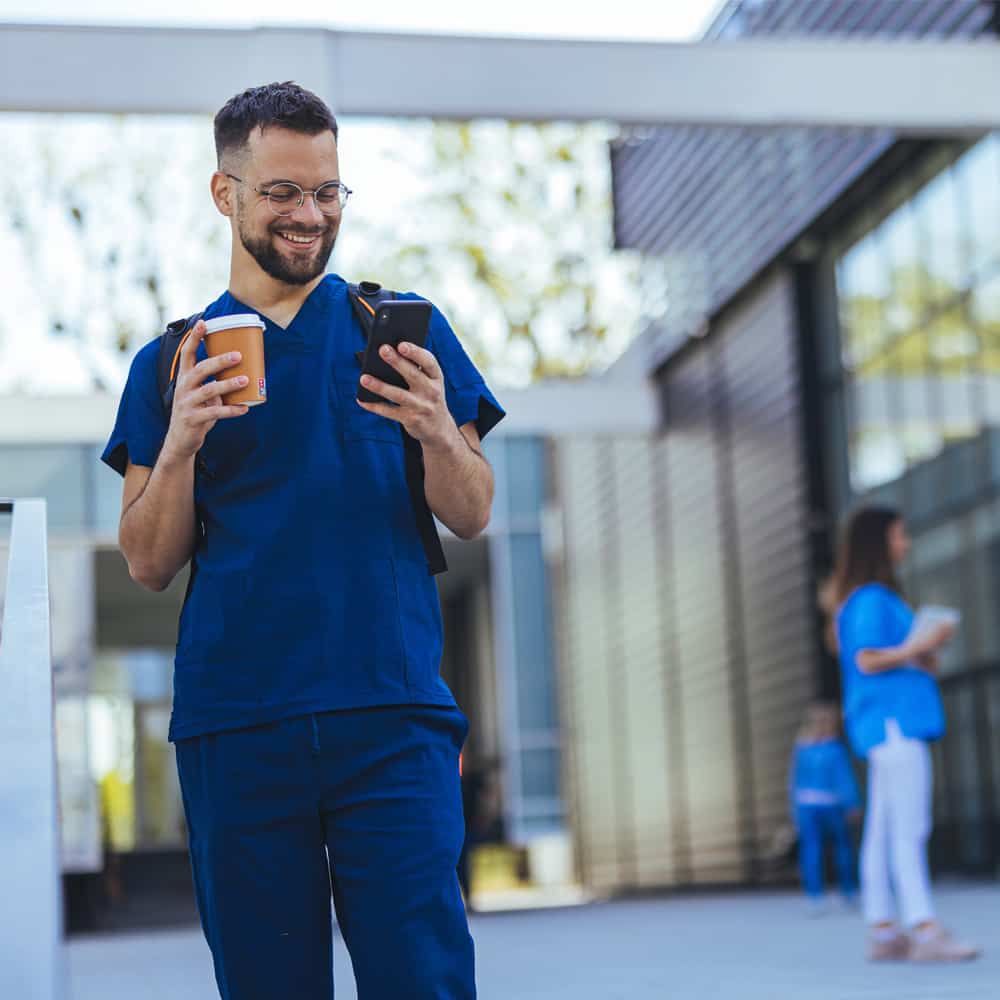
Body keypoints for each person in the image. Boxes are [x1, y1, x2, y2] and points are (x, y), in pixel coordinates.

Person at [101, 82, 505, 1000]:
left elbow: (474, 509)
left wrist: (435, 428)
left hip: (392, 719)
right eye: (282, 191)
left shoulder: (401, 332)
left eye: (327, 191)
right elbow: (148, 561)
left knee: (425, 980)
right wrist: (182, 443)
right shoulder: (170, 362)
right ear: (226, 193)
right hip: (238, 727)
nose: (310, 214)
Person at [830, 505, 979, 963]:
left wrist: (920, 653)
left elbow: (880, 657)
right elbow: (867, 659)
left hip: (884, 725)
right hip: (894, 723)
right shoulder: (872, 598)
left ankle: (884, 930)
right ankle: (924, 928)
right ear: (878, 542)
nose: (906, 543)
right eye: (899, 535)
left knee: (883, 829)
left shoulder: (864, 599)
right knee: (909, 828)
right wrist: (919, 645)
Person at [788, 701, 860, 915]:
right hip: (832, 803)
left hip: (806, 803)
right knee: (842, 847)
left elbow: (794, 780)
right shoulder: (834, 749)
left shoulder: (802, 749)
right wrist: (852, 803)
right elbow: (844, 778)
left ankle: (815, 896)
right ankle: (848, 892)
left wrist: (794, 806)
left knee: (811, 849)